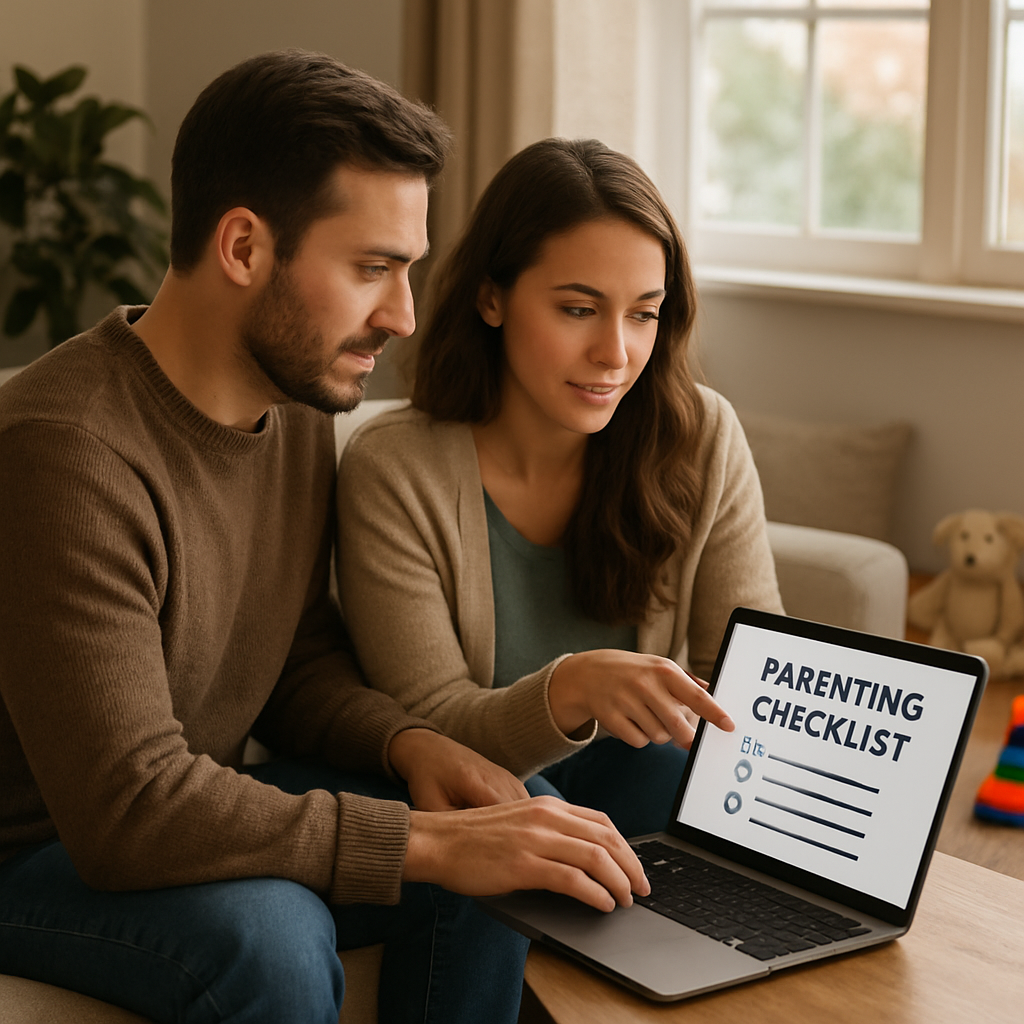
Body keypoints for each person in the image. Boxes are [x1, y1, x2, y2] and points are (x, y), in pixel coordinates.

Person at [0, 56, 649, 1024]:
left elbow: (294, 656)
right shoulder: (66, 452)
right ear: (244, 247)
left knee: (502, 819)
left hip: (182, 796)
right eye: (373, 268)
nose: (404, 315)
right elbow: (128, 809)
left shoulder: (292, 405)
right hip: (38, 850)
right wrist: (422, 844)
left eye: (409, 270)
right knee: (269, 937)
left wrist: (407, 744)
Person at [336, 137, 785, 841]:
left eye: (643, 313)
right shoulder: (395, 468)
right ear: (492, 298)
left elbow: (740, 681)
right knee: (526, 798)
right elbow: (430, 720)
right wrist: (570, 690)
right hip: (480, 801)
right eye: (579, 310)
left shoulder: (703, 437)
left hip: (636, 785)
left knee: (667, 775)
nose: (616, 353)